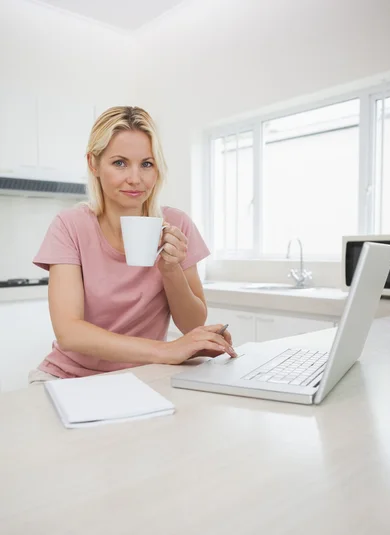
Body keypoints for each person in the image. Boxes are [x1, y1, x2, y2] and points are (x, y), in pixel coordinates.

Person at [28, 106, 236, 384]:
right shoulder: (70, 226)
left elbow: (192, 324)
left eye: (146, 164)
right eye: (119, 163)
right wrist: (167, 350)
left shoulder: (177, 224)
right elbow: (69, 332)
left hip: (143, 375)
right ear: (93, 163)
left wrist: (171, 269)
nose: (135, 179)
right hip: (67, 377)